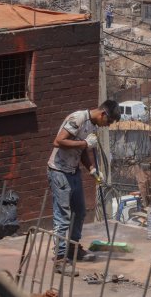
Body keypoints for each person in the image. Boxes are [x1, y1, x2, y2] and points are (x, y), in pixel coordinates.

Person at [47, 100, 121, 275]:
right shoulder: (78, 118)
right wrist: (85, 144)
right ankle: (60, 259)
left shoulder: (92, 126)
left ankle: (72, 249)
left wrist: (92, 169)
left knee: (79, 212)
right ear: (103, 114)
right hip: (58, 171)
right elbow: (58, 141)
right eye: (108, 122)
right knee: (63, 216)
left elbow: (83, 152)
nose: (106, 126)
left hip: (73, 172)